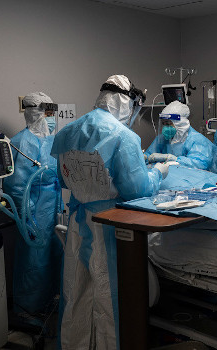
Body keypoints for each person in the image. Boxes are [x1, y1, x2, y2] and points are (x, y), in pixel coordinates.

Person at [51, 75, 168, 349]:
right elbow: (136, 188)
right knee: (108, 297)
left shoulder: (68, 132)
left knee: (76, 292)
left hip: (78, 222)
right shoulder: (123, 136)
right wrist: (157, 174)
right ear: (124, 102)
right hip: (108, 227)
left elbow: (63, 178)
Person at [2, 92, 61, 318]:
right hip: (34, 213)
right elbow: (17, 188)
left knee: (52, 259)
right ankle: (28, 312)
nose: (52, 117)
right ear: (35, 113)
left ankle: (49, 307)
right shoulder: (22, 142)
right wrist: (28, 219)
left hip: (52, 209)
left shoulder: (51, 139)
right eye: (47, 112)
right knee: (34, 264)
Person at [145, 101, 217, 173]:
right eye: (163, 123)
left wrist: (173, 159)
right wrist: (144, 157)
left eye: (168, 123)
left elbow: (200, 164)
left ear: (179, 123)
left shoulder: (197, 140)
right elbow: (149, 155)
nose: (165, 127)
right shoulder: (162, 139)